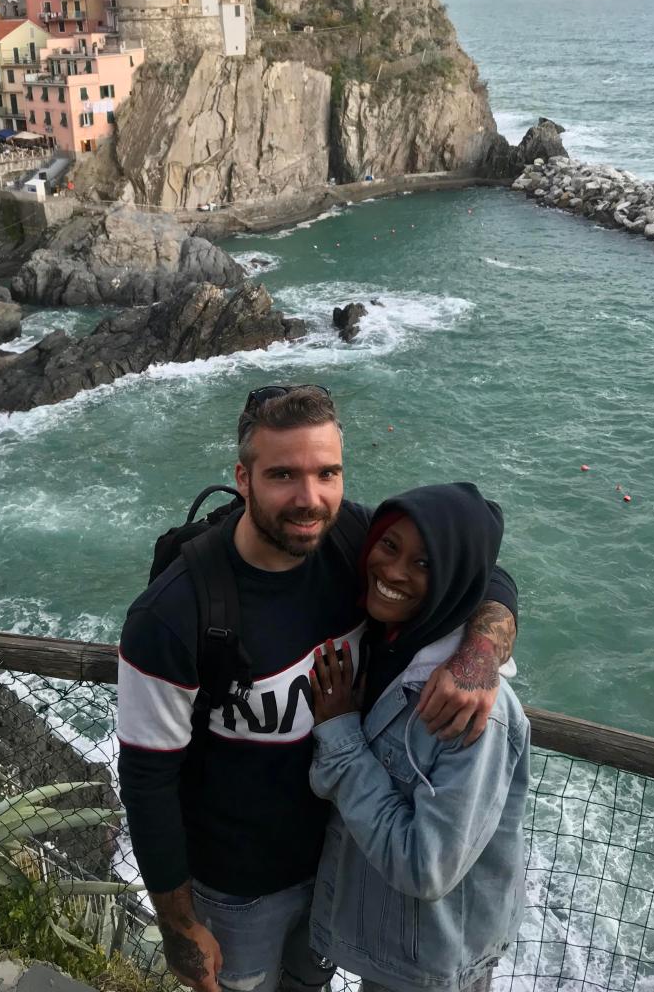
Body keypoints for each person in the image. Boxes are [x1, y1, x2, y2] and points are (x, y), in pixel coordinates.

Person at [117, 387, 519, 992]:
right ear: (243, 478)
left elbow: (476, 566)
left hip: (342, 864)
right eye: (283, 475)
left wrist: (481, 651)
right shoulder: (174, 614)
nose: (309, 499)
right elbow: (147, 778)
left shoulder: (350, 538)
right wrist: (176, 923)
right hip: (238, 888)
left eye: (327, 472)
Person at [308, 484, 530, 992]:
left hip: (429, 961)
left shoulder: (468, 713)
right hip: (384, 941)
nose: (393, 571)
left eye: (426, 564)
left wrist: (338, 732)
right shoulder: (387, 639)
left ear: (455, 578)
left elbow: (426, 868)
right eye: (388, 546)